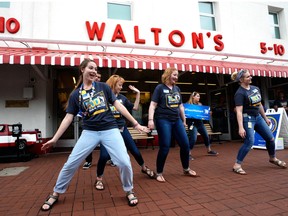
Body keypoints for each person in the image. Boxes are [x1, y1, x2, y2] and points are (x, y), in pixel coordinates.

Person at [40, 59, 149, 211]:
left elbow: (118, 105)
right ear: (82, 69)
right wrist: (55, 138)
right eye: (90, 68)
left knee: (124, 162)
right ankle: (56, 193)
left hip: (110, 130)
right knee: (71, 163)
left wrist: (136, 124)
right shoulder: (76, 95)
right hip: (89, 132)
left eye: (96, 69)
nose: (93, 71)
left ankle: (129, 190)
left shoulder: (103, 87)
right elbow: (68, 117)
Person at [94, 75, 154, 190]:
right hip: (107, 131)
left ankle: (144, 168)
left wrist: (138, 93)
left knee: (135, 151)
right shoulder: (103, 97)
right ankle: (99, 178)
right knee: (104, 156)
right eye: (119, 85)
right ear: (113, 84)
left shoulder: (122, 98)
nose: (121, 87)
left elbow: (135, 108)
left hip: (122, 129)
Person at [231, 69, 287, 175]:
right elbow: (239, 111)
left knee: (270, 138)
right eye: (248, 77)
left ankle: (272, 158)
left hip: (258, 118)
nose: (250, 77)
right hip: (247, 119)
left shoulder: (255, 89)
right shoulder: (239, 93)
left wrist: (265, 118)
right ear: (241, 80)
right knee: (250, 142)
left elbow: (259, 104)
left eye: (250, 75)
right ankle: (237, 165)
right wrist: (240, 127)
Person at [148, 67, 197, 183]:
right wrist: (151, 120)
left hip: (176, 120)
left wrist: (184, 121)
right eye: (174, 75)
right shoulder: (160, 88)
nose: (176, 77)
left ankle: (186, 168)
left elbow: (180, 106)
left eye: (177, 75)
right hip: (163, 120)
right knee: (165, 146)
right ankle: (159, 172)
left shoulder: (177, 89)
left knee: (185, 144)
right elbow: (153, 105)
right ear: (168, 74)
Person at [186, 91, 218, 160]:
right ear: (193, 97)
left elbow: (202, 115)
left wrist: (208, 114)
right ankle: (188, 154)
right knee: (193, 139)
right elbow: (185, 114)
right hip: (192, 124)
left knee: (206, 136)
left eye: (199, 96)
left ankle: (209, 150)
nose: (199, 97)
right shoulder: (188, 105)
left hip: (200, 123)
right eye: (197, 96)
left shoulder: (200, 105)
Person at [82, 72, 102, 169]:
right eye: (97, 77)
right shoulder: (84, 91)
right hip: (90, 124)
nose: (98, 78)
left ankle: (109, 158)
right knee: (87, 145)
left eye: (99, 77)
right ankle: (88, 161)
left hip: (103, 123)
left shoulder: (102, 88)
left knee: (106, 143)